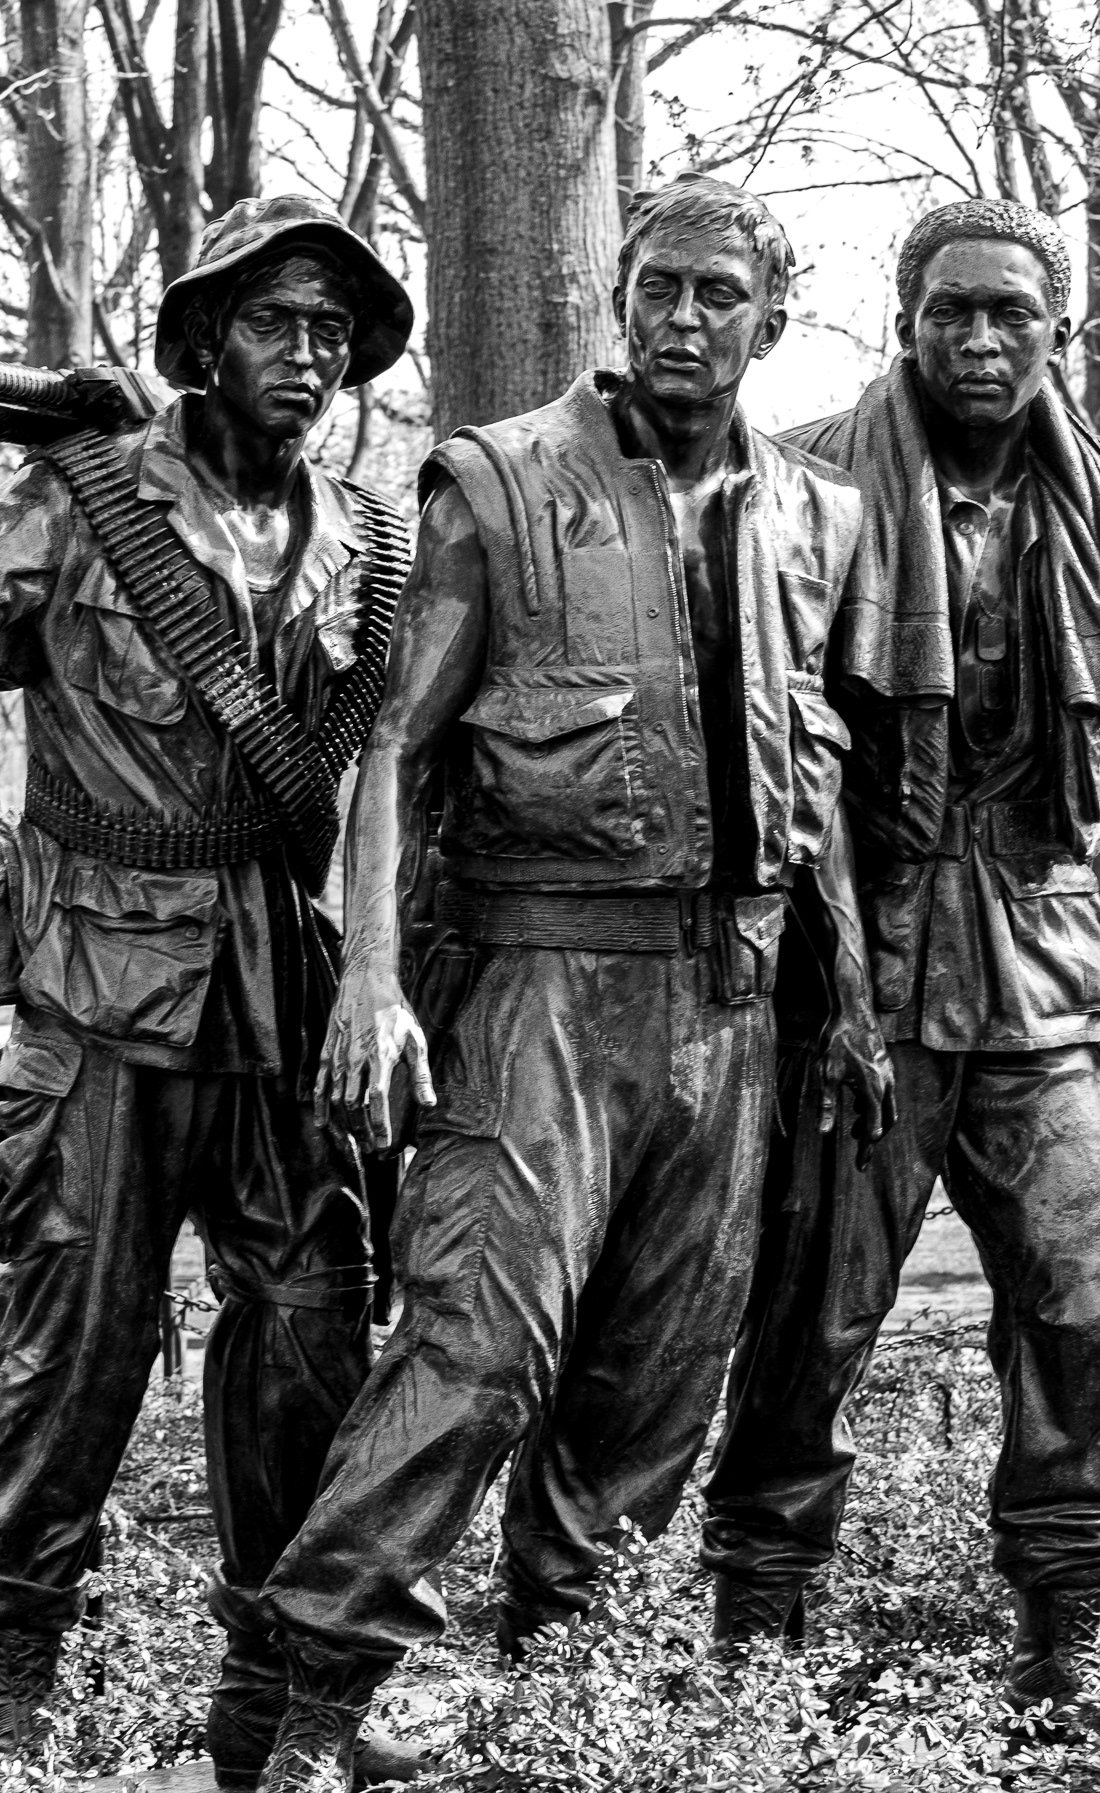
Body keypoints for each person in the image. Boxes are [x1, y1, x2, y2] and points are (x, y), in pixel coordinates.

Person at [243, 174, 895, 1793]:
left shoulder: (823, 517)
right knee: (476, 1345)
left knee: (657, 1380)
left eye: (718, 296)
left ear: (773, 318)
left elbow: (821, 793)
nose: (685, 320)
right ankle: (296, 1703)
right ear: (619, 296)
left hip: (734, 1006)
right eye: (659, 287)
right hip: (541, 983)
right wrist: (373, 979)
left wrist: (854, 1002)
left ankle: (568, 1709)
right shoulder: (501, 479)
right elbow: (390, 743)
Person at [700, 198, 1100, 1711]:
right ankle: (757, 1626)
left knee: (1074, 1306)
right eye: (951, 312)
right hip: (865, 968)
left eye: (1012, 315)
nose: (981, 340)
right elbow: (775, 755)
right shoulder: (804, 481)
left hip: (1046, 971)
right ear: (907, 322)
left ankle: (1068, 1622)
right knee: (814, 1317)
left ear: (1058, 330)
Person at [0, 194, 420, 1785]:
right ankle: (14, 1692)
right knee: (71, 1352)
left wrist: (378, 970)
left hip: (289, 996)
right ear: (200, 341)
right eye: (274, 321)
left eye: (333, 331)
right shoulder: (80, 498)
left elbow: (386, 757)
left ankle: (277, 1710)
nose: (307, 353)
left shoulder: (376, 535)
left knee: (311, 1343)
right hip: (104, 988)